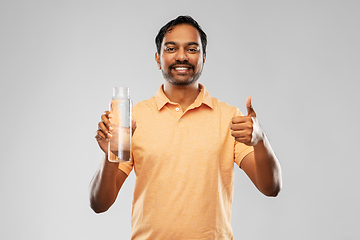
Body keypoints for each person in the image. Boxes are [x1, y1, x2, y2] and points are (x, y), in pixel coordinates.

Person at [90, 15, 282, 240]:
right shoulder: (134, 119)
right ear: (158, 58)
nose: (181, 56)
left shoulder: (229, 117)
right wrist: (110, 155)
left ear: (204, 57)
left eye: (192, 49)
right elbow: (99, 204)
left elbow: (271, 188)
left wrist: (260, 140)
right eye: (171, 48)